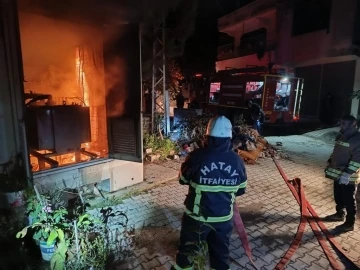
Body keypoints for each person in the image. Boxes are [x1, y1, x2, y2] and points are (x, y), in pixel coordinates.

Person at [173, 116, 247, 270]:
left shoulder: (196, 157)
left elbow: (182, 180)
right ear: (229, 137)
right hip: (223, 220)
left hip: (196, 218)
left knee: (186, 256)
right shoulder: (237, 161)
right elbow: (240, 190)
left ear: (207, 135)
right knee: (220, 258)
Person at [324, 115, 360, 232]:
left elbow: (357, 159)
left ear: (353, 124)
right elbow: (336, 150)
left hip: (348, 177)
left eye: (344, 124)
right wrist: (331, 161)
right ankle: (340, 214)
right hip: (337, 173)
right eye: (341, 123)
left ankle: (349, 223)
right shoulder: (342, 135)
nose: (341, 125)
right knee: (339, 196)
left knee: (349, 199)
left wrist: (348, 173)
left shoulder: (357, 139)